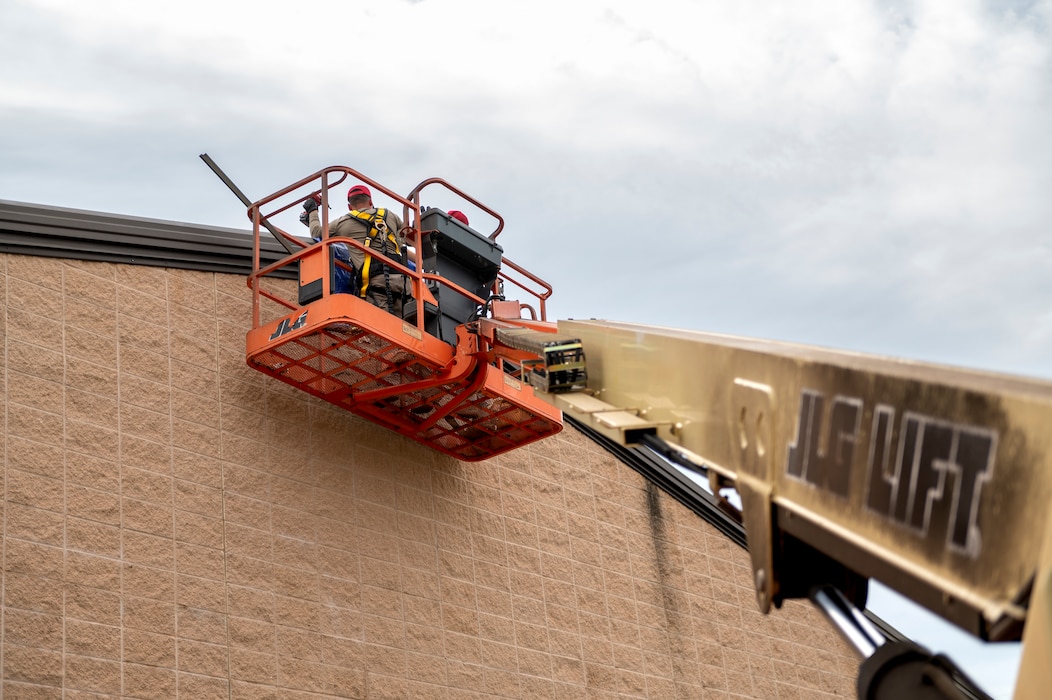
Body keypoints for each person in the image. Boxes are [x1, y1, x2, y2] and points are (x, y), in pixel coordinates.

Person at [303, 184, 407, 316]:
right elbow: (408, 238)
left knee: (380, 331)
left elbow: (316, 232)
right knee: (406, 327)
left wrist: (313, 210)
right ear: (370, 202)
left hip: (375, 283)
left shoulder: (343, 222)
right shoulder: (389, 215)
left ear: (349, 207)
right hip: (402, 280)